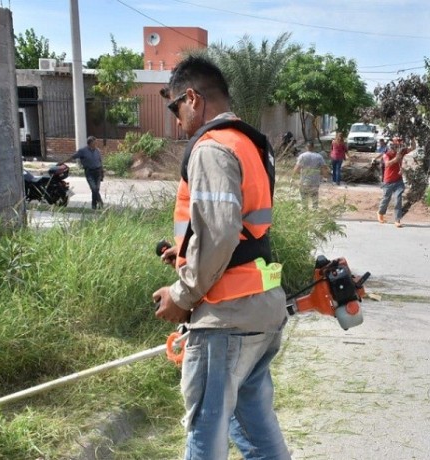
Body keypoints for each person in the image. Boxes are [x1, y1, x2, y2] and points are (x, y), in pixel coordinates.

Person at [152, 55, 291, 459]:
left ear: (192, 98)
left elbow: (219, 233)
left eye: (175, 107)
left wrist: (183, 293)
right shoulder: (248, 143)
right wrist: (183, 254)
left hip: (224, 317)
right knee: (256, 430)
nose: (176, 119)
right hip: (259, 310)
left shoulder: (211, 147)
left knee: (206, 432)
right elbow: (238, 231)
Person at [377, 137, 416, 228]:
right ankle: (380, 213)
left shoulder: (402, 151)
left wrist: (412, 138)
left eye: (400, 145)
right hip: (388, 181)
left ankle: (397, 220)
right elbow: (387, 164)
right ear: (392, 146)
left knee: (398, 199)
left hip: (398, 180)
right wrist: (396, 159)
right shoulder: (387, 154)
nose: (398, 147)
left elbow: (413, 147)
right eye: (396, 146)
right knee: (386, 199)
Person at [71, 136, 104, 209]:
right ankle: (100, 203)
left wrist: (102, 172)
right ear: (90, 143)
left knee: (96, 189)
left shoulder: (97, 151)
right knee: (94, 188)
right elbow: (72, 157)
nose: (96, 144)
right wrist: (61, 162)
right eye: (95, 143)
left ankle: (94, 205)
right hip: (89, 172)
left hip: (98, 172)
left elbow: (100, 161)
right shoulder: (82, 151)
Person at [293, 142, 327, 209]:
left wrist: (294, 177)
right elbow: (324, 168)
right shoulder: (319, 156)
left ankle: (305, 210)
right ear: (313, 147)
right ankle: (314, 210)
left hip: (304, 181)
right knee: (314, 196)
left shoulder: (302, 156)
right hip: (315, 181)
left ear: (306, 147)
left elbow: (297, 168)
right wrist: (325, 177)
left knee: (304, 196)